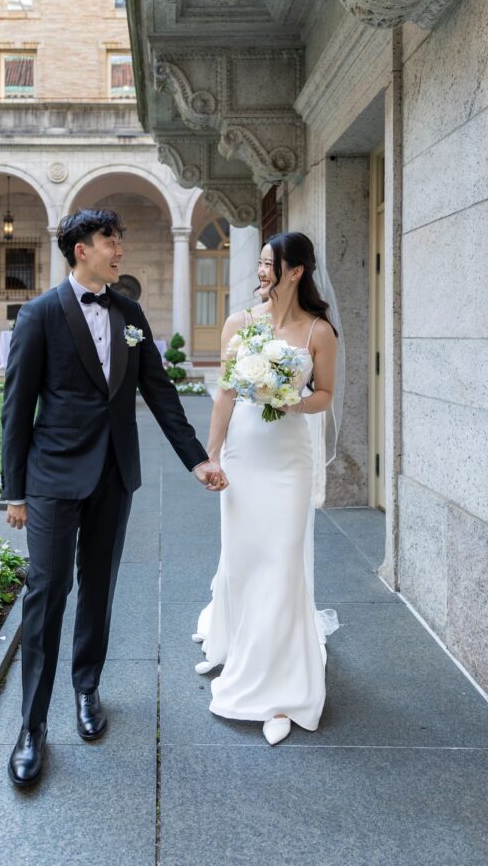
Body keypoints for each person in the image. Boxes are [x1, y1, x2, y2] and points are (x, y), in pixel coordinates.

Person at [1, 208, 227, 787]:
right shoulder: (38, 314)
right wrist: (15, 491)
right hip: (52, 478)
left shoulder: (129, 313)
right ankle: (30, 727)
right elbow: (16, 411)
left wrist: (196, 457)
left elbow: (159, 391)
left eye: (118, 239)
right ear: (81, 249)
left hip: (113, 476)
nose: (119, 248)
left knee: (98, 588)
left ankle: (86, 690)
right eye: (110, 239)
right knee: (47, 593)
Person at [194, 231, 339, 745]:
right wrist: (209, 457)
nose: (260, 271)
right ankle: (236, 642)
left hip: (288, 459)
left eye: (268, 263)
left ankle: (279, 688)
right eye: (258, 263)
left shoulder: (319, 331)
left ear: (294, 271)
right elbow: (226, 396)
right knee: (243, 556)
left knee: (281, 559)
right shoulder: (240, 324)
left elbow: (323, 395)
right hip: (245, 453)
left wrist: (291, 399)